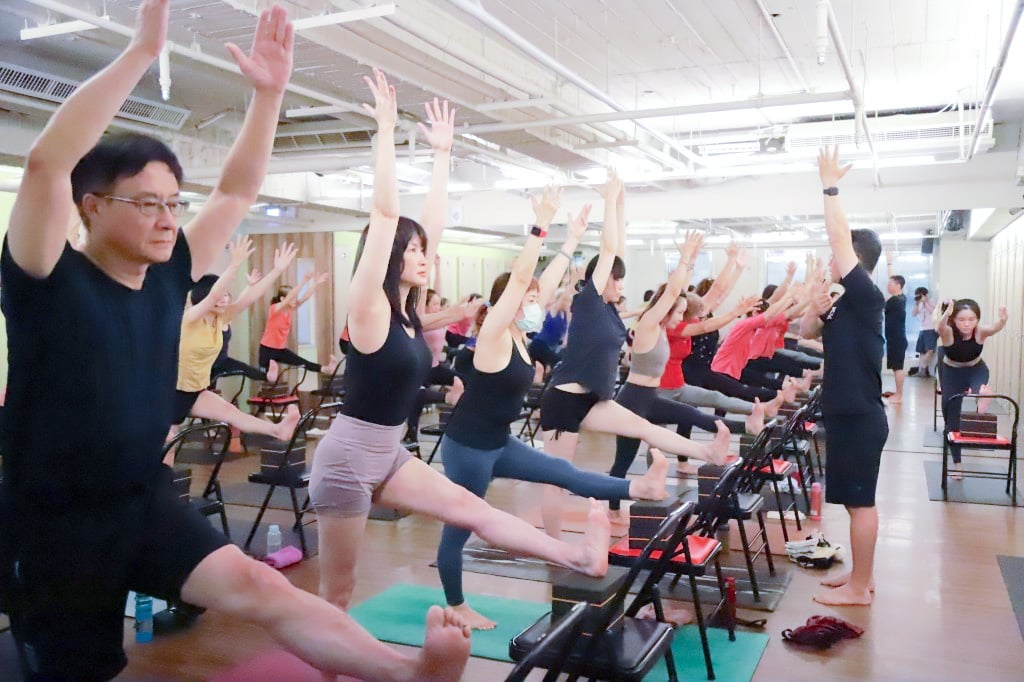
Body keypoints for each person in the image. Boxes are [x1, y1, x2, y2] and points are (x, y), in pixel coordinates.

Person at [0, 5, 471, 681]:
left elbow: (237, 187)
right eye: (146, 203)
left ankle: (405, 674)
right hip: (55, 525)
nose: (168, 219)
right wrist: (139, 53)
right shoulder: (45, 276)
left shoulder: (170, 276)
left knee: (264, 589)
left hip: (143, 497)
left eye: (172, 202)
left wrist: (269, 95)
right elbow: (49, 161)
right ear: (93, 206)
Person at [310, 72, 611, 634]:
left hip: (390, 453)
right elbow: (383, 218)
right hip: (347, 460)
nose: (425, 255)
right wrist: (383, 131)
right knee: (339, 592)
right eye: (415, 250)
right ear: (391, 256)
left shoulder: (407, 311)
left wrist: (442, 156)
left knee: (476, 511)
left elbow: (433, 222)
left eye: (425, 249)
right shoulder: (368, 309)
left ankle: (579, 558)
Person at [436, 188, 668, 631]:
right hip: (467, 449)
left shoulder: (523, 339)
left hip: (498, 442)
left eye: (536, 297)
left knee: (567, 475)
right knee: (460, 527)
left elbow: (535, 286)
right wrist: (540, 231)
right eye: (528, 297)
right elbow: (522, 278)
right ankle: (456, 603)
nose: (535, 303)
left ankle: (641, 489)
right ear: (507, 303)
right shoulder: (493, 338)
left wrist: (568, 243)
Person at [538, 174, 730, 540]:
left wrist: (622, 202)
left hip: (593, 399)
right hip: (563, 402)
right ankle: (554, 546)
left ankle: (711, 453)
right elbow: (609, 249)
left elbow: (618, 250)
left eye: (622, 280)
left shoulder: (611, 309)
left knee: (645, 429)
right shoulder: (589, 299)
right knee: (557, 480)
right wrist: (609, 202)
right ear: (600, 279)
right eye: (616, 279)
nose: (621, 284)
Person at [610, 233, 765, 499]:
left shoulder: (661, 328)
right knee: (624, 460)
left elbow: (710, 296)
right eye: (679, 311)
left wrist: (701, 264)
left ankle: (748, 427)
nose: (683, 317)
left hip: (649, 397)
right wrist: (686, 260)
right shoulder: (649, 325)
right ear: (666, 309)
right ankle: (612, 509)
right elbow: (671, 292)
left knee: (690, 416)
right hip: (633, 401)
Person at [799, 146, 889, 607]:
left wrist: (830, 187)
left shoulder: (865, 294)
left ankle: (861, 587)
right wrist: (816, 309)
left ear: (855, 259)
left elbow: (838, 236)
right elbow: (806, 332)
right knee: (856, 504)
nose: (832, 259)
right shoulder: (843, 301)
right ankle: (861, 576)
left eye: (839, 255)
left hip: (859, 416)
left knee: (862, 504)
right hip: (849, 413)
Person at [172, 235, 300, 446]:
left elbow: (248, 298)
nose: (225, 298)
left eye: (226, 295)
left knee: (230, 412)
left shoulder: (219, 318)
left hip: (194, 391)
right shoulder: (190, 318)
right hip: (169, 391)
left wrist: (277, 270)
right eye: (220, 295)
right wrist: (234, 265)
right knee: (167, 444)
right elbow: (213, 296)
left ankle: (278, 430)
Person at [935, 298, 1007, 478]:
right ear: (954, 320)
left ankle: (980, 400)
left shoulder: (980, 331)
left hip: (976, 369)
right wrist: (946, 314)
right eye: (961, 319)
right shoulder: (949, 332)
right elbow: (939, 328)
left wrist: (1003, 320)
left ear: (977, 320)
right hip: (952, 372)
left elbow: (995, 328)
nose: (967, 324)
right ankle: (957, 465)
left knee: (981, 388)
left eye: (972, 319)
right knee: (951, 419)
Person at [258, 269, 338, 375]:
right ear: (282, 299)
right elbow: (290, 297)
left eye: (294, 298)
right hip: (267, 350)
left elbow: (305, 297)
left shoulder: (290, 310)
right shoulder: (274, 309)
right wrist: (303, 281)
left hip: (280, 350)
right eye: (291, 298)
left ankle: (325, 369)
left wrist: (316, 283)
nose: (294, 300)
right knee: (266, 379)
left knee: (302, 362)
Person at [883, 254, 908, 404]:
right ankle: (897, 392)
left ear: (898, 286)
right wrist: (889, 264)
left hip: (897, 340)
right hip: (895, 339)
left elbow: (880, 302)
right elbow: (894, 278)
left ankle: (899, 395)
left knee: (898, 368)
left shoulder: (895, 301)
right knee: (895, 367)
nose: (888, 285)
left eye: (890, 284)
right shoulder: (899, 298)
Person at [910, 286, 937, 377]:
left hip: (931, 328)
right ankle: (922, 371)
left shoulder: (931, 300)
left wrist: (926, 302)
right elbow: (913, 314)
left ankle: (922, 368)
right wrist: (917, 303)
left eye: (919, 295)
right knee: (922, 351)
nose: (918, 297)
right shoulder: (919, 303)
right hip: (922, 329)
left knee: (930, 350)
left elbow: (934, 312)